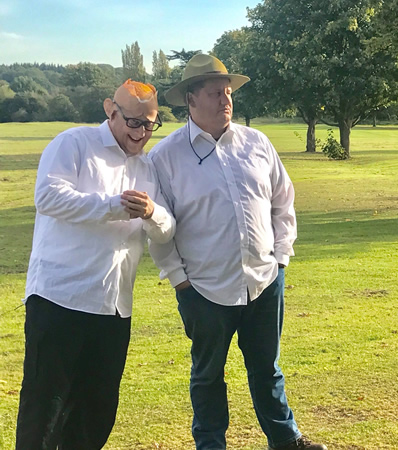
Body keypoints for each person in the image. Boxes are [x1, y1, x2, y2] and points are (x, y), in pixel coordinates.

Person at [148, 54, 325, 450]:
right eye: (215, 93)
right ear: (190, 100)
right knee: (207, 375)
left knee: (267, 369)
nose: (225, 100)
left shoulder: (256, 142)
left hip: (263, 280)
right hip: (204, 289)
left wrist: (281, 258)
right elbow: (158, 226)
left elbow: (283, 201)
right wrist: (180, 281)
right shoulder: (165, 157)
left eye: (228, 92)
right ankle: (210, 445)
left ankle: (285, 439)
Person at [16, 80, 174, 448]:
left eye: (150, 124)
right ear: (110, 110)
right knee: (45, 410)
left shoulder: (147, 168)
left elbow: (166, 231)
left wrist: (151, 213)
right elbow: (48, 197)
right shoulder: (74, 143)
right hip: (61, 300)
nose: (142, 132)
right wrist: (114, 206)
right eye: (134, 122)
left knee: (96, 412)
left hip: (114, 308)